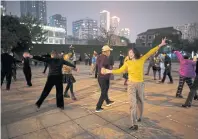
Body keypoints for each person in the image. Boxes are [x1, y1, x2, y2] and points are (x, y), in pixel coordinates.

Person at [101, 38, 167, 130]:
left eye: (131, 52)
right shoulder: (127, 63)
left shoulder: (142, 59)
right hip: (131, 84)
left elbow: (150, 52)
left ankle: (139, 116)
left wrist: (160, 45)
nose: (129, 54)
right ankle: (134, 123)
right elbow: (120, 70)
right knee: (132, 104)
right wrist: (108, 71)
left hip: (140, 84)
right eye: (129, 53)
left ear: (135, 53)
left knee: (140, 102)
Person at [95, 45, 114, 112]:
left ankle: (108, 101)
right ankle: (98, 107)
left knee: (105, 90)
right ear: (106, 51)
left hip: (101, 77)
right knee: (104, 92)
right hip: (103, 77)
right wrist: (103, 68)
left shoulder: (99, 56)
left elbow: (98, 64)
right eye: (109, 51)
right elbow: (101, 65)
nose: (110, 52)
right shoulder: (105, 58)